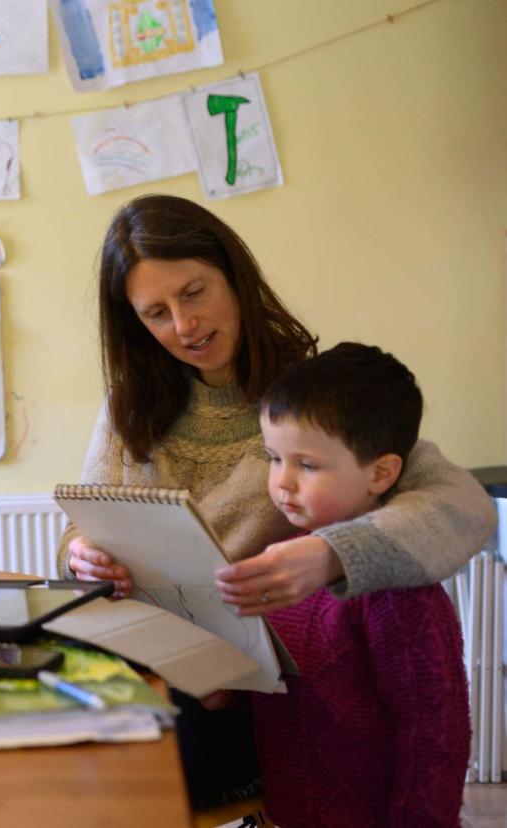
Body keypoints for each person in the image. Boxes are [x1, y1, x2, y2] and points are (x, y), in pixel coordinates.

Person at [57, 194, 492, 804]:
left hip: (269, 701)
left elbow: (463, 505)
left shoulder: (310, 398)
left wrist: (330, 554)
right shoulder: (128, 410)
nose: (184, 326)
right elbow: (82, 532)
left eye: (194, 292)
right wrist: (82, 555)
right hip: (162, 668)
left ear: (234, 276)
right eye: (155, 313)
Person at [250, 342, 469, 825]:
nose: (281, 483)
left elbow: (435, 733)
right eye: (273, 457)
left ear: (381, 473)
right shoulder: (289, 561)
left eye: (306, 465)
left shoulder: (400, 590)